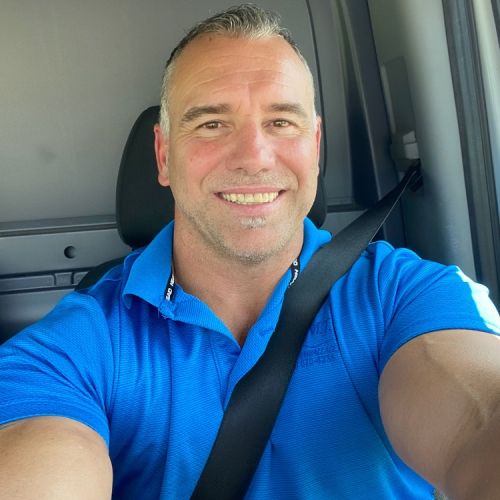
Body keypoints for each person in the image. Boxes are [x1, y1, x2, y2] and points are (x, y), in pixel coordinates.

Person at [1, 4, 500, 499]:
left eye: (282, 122)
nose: (254, 157)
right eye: (211, 124)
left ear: (315, 146)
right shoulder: (77, 346)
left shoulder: (405, 296)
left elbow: (479, 420)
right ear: (164, 154)